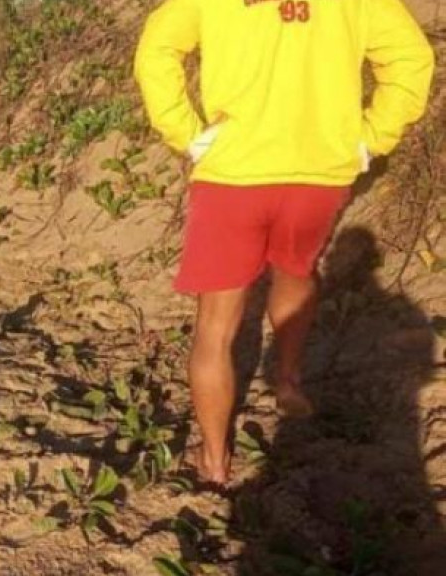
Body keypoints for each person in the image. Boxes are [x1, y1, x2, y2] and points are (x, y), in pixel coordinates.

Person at [132, 0, 435, 486]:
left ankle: (214, 460)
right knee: (295, 270)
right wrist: (371, 138)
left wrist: (184, 132)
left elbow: (157, 48)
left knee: (216, 326)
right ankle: (289, 382)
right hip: (319, 172)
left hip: (233, 174)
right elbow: (410, 57)